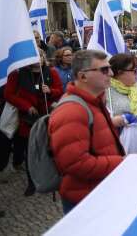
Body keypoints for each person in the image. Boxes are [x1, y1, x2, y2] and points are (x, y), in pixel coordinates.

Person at [48, 50, 125, 214]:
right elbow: (76, 163)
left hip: (99, 191)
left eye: (110, 68)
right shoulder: (71, 111)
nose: (111, 73)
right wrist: (122, 162)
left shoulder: (94, 101)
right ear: (82, 76)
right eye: (104, 70)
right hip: (84, 199)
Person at [5, 50, 62, 196]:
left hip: (48, 117)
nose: (38, 59)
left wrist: (50, 91)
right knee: (30, 151)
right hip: (27, 120)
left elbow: (59, 91)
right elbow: (9, 94)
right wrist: (26, 105)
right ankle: (32, 183)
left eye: (41, 56)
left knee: (49, 150)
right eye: (34, 57)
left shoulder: (51, 72)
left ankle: (52, 178)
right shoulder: (17, 74)